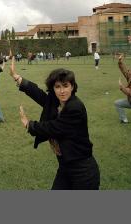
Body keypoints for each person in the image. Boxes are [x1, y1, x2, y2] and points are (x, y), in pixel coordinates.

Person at [9, 57, 100, 190]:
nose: (62, 91)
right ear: (53, 88)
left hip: (83, 171)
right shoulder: (57, 101)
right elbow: (40, 95)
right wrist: (18, 78)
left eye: (65, 86)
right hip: (65, 167)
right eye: (57, 87)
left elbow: (54, 127)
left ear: (72, 86)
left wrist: (30, 125)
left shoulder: (75, 107)